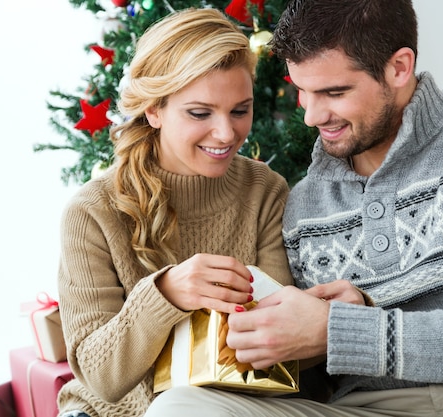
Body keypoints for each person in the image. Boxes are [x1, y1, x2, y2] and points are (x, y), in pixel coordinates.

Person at [145, 1, 443, 416]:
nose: (311, 116)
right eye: (302, 92)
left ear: (399, 68)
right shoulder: (304, 203)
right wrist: (290, 335)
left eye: (334, 92)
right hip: (361, 411)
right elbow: (307, 385)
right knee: (183, 408)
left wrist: (339, 331)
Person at [55, 8, 294, 417]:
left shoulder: (265, 191)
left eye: (240, 110)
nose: (226, 133)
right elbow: (100, 378)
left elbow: (281, 353)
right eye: (199, 113)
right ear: (154, 110)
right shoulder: (93, 211)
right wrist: (164, 294)